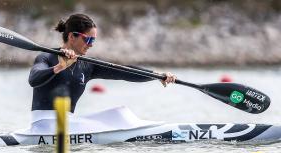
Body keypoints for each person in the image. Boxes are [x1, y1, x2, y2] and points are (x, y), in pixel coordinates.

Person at [29, 14, 176, 113]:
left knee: (119, 113)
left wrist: (157, 75)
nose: (91, 44)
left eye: (93, 40)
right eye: (88, 39)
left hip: (67, 123)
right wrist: (60, 67)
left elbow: (124, 72)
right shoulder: (46, 57)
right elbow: (34, 79)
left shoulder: (87, 65)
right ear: (72, 37)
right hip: (42, 123)